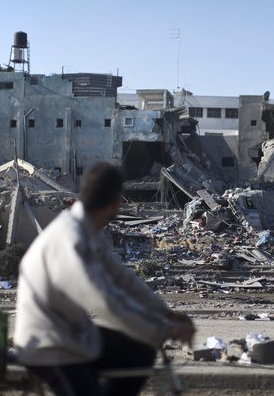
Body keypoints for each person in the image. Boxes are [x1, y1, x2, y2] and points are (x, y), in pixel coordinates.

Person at [14, 162, 196, 396]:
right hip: (49, 343)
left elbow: (123, 279)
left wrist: (165, 312)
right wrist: (161, 330)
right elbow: (103, 301)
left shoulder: (86, 230)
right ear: (117, 203)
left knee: (140, 352)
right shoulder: (70, 239)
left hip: (74, 333)